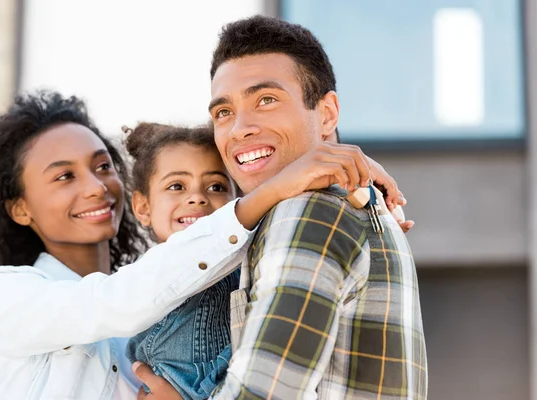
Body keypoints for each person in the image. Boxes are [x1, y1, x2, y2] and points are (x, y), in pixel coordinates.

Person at [0, 91, 399, 399]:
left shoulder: (168, 292)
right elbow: (114, 304)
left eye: (103, 167)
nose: (97, 187)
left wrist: (356, 194)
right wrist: (267, 193)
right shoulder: (3, 293)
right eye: (64, 176)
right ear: (20, 208)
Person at [135, 16, 427, 400]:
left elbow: (261, 394)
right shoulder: (335, 205)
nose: (240, 128)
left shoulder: (308, 212)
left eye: (266, 100)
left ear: (327, 114)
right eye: (224, 112)